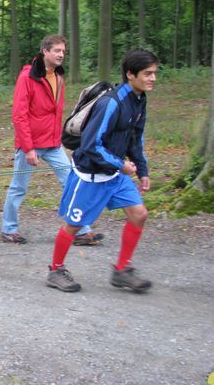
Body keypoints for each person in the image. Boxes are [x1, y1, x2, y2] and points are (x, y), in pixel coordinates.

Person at [46, 49, 158, 293]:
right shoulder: (111, 103)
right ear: (130, 74)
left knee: (139, 214)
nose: (153, 78)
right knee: (74, 226)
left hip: (115, 176)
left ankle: (121, 270)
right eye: (147, 74)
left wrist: (143, 169)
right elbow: (91, 144)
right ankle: (56, 270)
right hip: (90, 176)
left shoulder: (139, 100)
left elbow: (135, 137)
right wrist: (121, 165)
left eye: (154, 73)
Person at [0, 34, 103, 245]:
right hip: (30, 145)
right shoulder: (27, 77)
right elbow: (19, 115)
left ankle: (82, 230)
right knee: (19, 187)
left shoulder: (58, 77)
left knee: (72, 182)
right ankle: (8, 229)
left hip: (53, 144)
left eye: (63, 51)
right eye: (57, 51)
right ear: (45, 51)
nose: (61, 55)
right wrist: (28, 148)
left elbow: (55, 114)